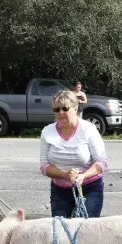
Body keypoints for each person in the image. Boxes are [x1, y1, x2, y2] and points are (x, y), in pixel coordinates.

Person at [40, 90, 109, 218]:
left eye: (65, 108)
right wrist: (64, 175)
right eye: (57, 109)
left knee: (86, 230)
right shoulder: (47, 132)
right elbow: (44, 166)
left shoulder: (88, 129)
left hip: (90, 188)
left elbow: (102, 162)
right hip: (60, 190)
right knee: (61, 232)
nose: (61, 112)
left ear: (76, 108)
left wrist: (83, 176)